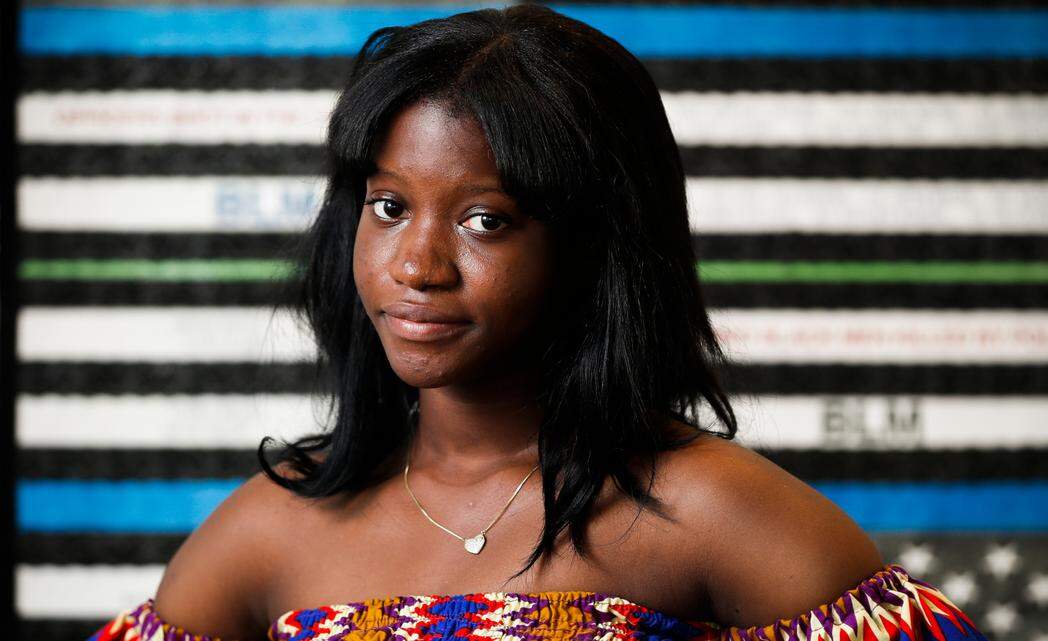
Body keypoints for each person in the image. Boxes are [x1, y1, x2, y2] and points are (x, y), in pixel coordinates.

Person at [88, 5, 988, 641]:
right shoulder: (272, 527)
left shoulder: (711, 509)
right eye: (390, 206)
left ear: (598, 244)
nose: (416, 266)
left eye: (487, 220)